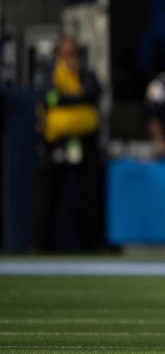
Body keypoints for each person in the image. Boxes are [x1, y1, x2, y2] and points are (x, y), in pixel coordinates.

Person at [35, 37, 103, 250]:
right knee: (49, 193)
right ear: (58, 54)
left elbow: (93, 94)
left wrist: (67, 97)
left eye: (73, 53)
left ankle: (93, 243)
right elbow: (50, 98)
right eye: (66, 53)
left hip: (84, 141)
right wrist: (74, 97)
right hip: (57, 141)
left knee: (90, 194)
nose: (71, 58)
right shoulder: (51, 75)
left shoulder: (87, 74)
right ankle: (43, 244)